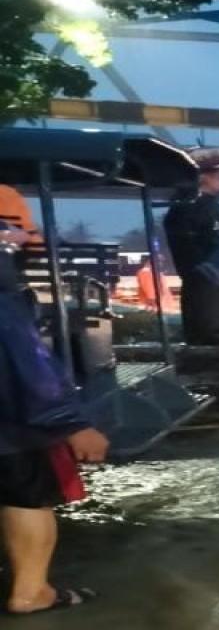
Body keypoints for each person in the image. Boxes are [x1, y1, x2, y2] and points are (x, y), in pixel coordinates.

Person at [0, 239, 110, 615]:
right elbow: (26, 364)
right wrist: (71, 423)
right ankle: (31, 592)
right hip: (10, 427)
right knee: (27, 497)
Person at [163, 169, 219, 345]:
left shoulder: (183, 205)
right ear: (203, 178)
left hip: (197, 270)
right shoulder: (202, 205)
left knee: (201, 306)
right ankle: (214, 337)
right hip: (209, 270)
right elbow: (211, 238)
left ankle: (206, 336)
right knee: (211, 306)